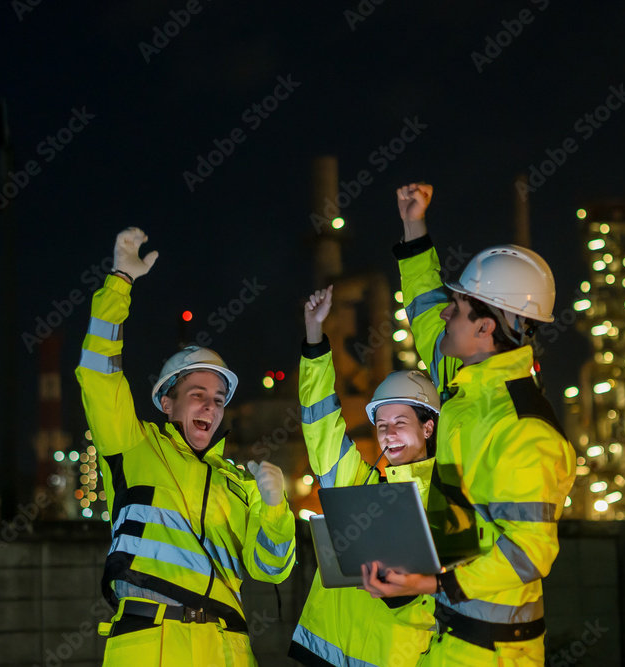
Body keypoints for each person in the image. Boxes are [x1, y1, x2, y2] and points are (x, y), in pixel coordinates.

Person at [361, 184, 577, 666]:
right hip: (451, 636)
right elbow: (422, 313)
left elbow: (528, 552)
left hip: (494, 650)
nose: (445, 314)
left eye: (456, 310)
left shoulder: (522, 427)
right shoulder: (466, 383)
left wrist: (434, 583)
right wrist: (414, 227)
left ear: (484, 329)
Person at [76, 227, 297, 666]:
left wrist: (275, 508)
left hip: (228, 650)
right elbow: (97, 373)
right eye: (197, 394)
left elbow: (271, 568)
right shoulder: (135, 444)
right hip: (152, 643)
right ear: (166, 400)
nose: (210, 407)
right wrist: (120, 280)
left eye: (218, 400)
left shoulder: (238, 481)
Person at [288, 284, 440, 667]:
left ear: (428, 428)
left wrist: (404, 594)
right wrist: (314, 339)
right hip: (322, 655)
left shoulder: (446, 498)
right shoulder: (358, 483)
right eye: (382, 423)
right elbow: (320, 423)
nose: (387, 433)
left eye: (400, 422)